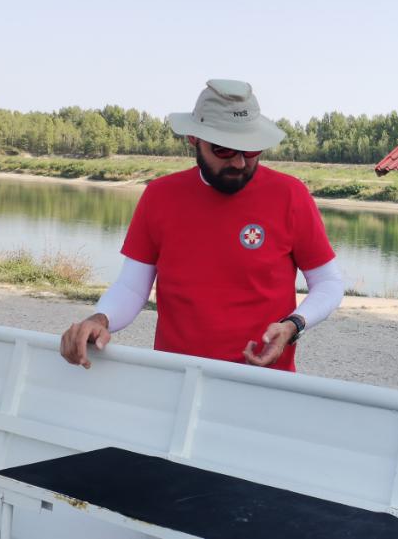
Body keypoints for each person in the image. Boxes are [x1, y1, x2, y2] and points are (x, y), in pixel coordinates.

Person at [61, 79, 344, 371]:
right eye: (224, 150)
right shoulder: (160, 196)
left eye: (250, 151)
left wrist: (293, 325)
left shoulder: (290, 195)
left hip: (263, 381)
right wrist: (101, 319)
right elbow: (132, 287)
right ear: (193, 139)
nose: (239, 163)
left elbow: (328, 283)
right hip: (177, 377)